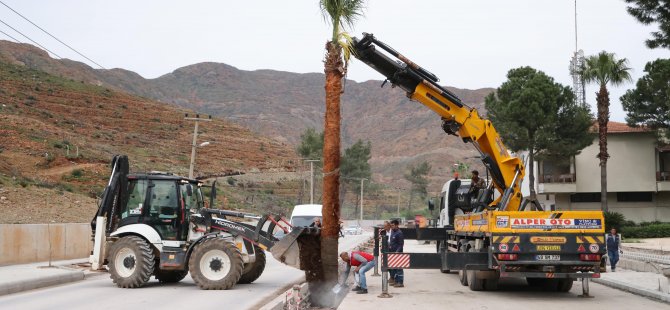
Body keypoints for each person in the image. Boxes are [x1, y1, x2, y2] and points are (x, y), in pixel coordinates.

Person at [390, 219, 405, 287]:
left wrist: (397, 252)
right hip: (393, 253)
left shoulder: (399, 233)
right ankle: (396, 281)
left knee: (399, 268)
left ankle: (400, 282)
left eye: (393, 225)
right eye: (391, 225)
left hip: (398, 253)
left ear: (397, 225)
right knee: (394, 268)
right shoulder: (393, 231)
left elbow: (401, 245)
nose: (392, 227)